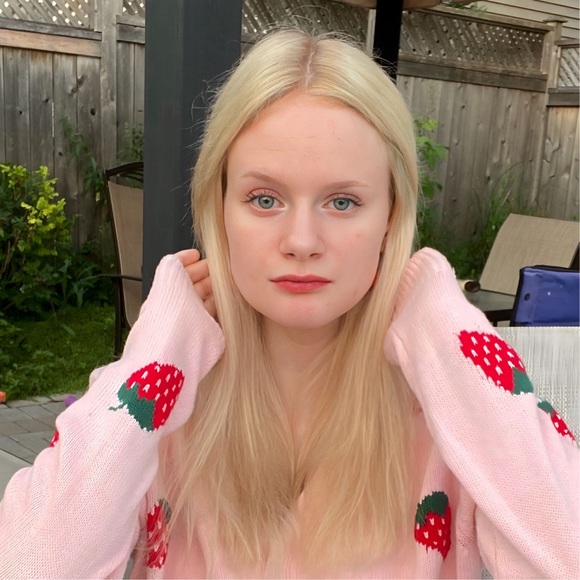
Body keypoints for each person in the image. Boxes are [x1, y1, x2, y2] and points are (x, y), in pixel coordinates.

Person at [0, 29, 578, 579]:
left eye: (343, 202)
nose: (302, 241)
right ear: (219, 209)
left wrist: (448, 339)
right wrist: (155, 357)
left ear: (391, 217)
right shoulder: (162, 410)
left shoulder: (453, 420)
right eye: (264, 198)